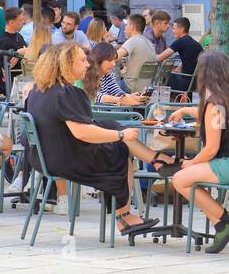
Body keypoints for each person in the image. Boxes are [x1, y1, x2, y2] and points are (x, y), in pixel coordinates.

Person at [19, 43, 163, 238]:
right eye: (82, 60)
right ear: (67, 63)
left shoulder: (38, 90)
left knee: (109, 124)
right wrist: (120, 135)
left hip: (43, 158)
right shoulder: (67, 93)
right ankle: (124, 216)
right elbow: (82, 132)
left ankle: (158, 161)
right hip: (65, 160)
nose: (88, 64)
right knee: (121, 150)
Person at [165, 51, 229, 254]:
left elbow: (211, 149)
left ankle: (224, 221)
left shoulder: (214, 104)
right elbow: (212, 120)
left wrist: (190, 163)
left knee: (180, 179)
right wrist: (185, 111)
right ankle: (222, 222)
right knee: (184, 175)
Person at [86, 41, 148, 105]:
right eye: (110, 60)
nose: (113, 64)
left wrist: (132, 97)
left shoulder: (107, 75)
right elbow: (94, 97)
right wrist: (121, 99)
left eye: (114, 60)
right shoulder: (87, 75)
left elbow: (117, 92)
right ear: (99, 59)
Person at [158, 16, 203, 94]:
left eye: (174, 28)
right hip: (195, 82)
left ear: (181, 29)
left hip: (185, 82)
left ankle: (166, 104)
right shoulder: (195, 43)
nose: (172, 31)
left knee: (162, 77)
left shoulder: (180, 42)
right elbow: (190, 59)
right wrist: (179, 67)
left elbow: (159, 58)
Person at [114, 13, 158, 90]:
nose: (125, 28)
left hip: (129, 87)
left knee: (106, 87)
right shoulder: (149, 43)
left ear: (132, 27)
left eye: (127, 25)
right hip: (145, 88)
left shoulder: (133, 41)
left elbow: (115, 57)